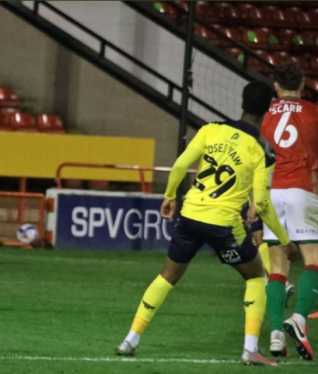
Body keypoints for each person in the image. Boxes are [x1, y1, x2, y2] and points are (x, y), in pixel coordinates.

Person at [116, 81, 297, 366]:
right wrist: (285, 241)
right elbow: (261, 204)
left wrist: (169, 196)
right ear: (268, 109)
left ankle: (130, 339)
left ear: (241, 104)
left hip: (190, 214)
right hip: (224, 223)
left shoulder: (211, 129)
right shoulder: (264, 150)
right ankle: (250, 350)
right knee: (255, 277)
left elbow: (179, 166)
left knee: (167, 276)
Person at [259, 61, 318, 360]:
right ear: (304, 82)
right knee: (313, 261)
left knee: (277, 267)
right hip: (300, 188)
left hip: (272, 192)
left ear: (276, 86)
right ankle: (298, 319)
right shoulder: (313, 113)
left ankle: (274, 336)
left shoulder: (266, 116)